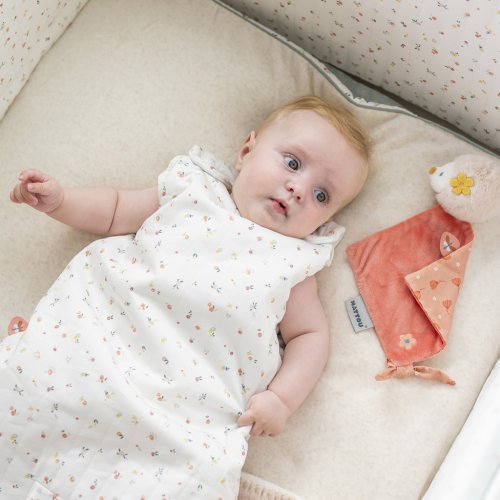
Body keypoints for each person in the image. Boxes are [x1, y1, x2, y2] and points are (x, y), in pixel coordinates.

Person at [4, 95, 369, 497]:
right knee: (37, 390)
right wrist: (62, 202)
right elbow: (115, 210)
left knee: (189, 473)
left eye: (322, 196)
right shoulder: (193, 191)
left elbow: (310, 337)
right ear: (246, 152)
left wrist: (281, 400)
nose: (298, 189)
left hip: (186, 410)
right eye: (293, 163)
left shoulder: (294, 264)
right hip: (101, 346)